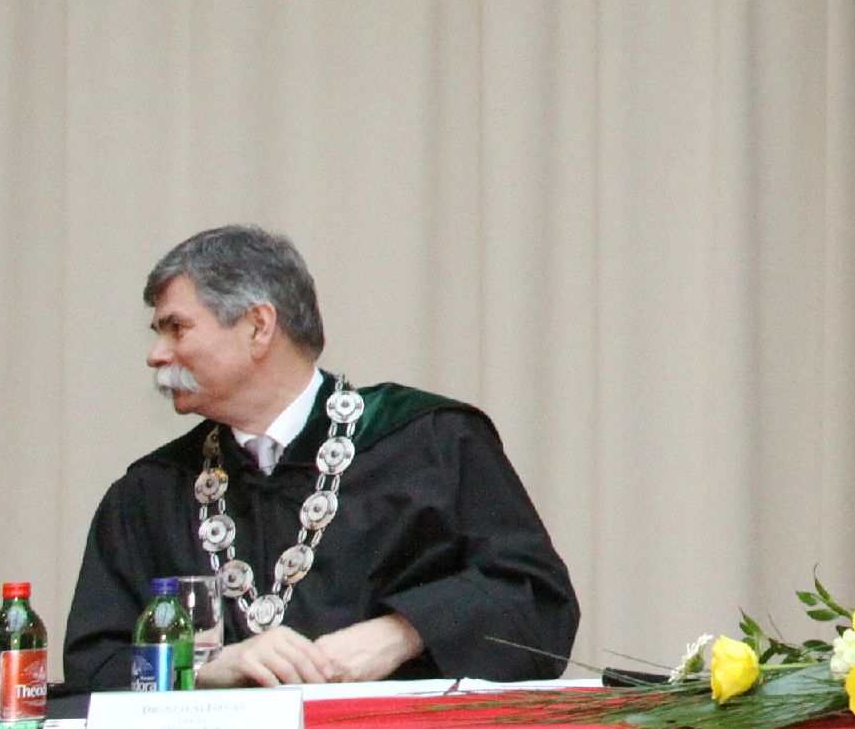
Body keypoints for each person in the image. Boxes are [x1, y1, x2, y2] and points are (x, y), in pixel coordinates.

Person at [62, 226, 578, 693]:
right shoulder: (150, 494)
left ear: (258, 326)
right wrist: (208, 667)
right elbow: (94, 665)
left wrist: (402, 632)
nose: (156, 354)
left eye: (176, 328)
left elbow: (536, 603)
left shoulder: (431, 443)